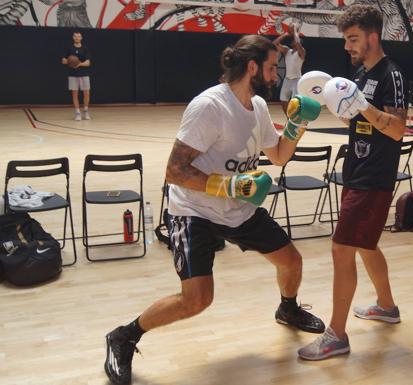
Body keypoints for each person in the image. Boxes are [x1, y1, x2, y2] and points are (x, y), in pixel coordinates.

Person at [104, 35, 324, 385]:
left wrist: (298, 126)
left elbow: (279, 156)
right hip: (195, 211)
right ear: (251, 67)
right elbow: (174, 170)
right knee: (196, 300)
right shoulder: (210, 106)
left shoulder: (259, 107)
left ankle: (288, 308)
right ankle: (123, 336)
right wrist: (228, 185)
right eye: (270, 68)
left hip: (238, 208)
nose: (275, 75)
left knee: (291, 261)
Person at [298, 5, 408, 361]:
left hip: (374, 177)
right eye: (346, 40)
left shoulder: (391, 75)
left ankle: (337, 335)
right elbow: (358, 119)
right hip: (356, 170)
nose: (348, 46)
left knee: (341, 248)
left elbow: (397, 130)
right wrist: (339, 106)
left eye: (353, 39)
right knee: (365, 245)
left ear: (372, 37)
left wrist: (362, 106)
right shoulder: (360, 73)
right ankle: (387, 307)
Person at [273, 24, 305, 115]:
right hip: (287, 79)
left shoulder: (302, 52)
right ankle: (289, 118)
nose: (293, 41)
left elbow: (298, 43)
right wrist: (285, 34)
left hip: (297, 80)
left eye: (295, 41)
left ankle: (296, 119)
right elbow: (274, 44)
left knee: (295, 102)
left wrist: (295, 31)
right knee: (283, 100)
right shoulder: (287, 51)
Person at [61, 31, 91, 121]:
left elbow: (88, 63)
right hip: (73, 74)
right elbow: (63, 60)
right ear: (73, 38)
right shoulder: (69, 48)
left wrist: (79, 64)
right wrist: (69, 61)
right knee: (75, 94)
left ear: (81, 38)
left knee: (86, 94)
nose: (77, 38)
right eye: (75, 36)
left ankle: (85, 111)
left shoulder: (85, 49)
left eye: (79, 36)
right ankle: (77, 113)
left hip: (84, 74)